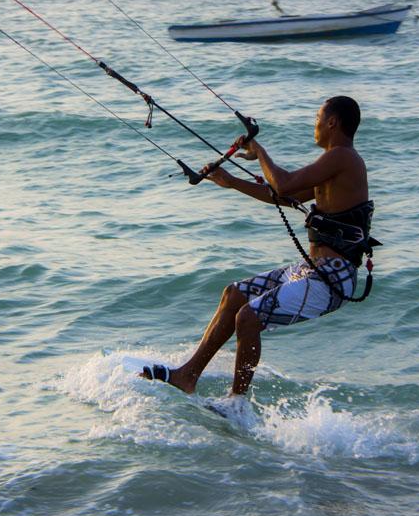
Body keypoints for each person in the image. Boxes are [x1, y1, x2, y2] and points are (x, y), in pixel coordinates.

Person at [142, 96, 376, 398]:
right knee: (234, 295)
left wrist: (259, 152)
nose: (315, 125)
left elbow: (284, 183)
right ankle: (187, 375)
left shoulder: (342, 156)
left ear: (332, 122)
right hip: (314, 271)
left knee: (248, 318)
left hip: (333, 279)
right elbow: (281, 197)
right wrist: (232, 182)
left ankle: (236, 403)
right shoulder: (335, 164)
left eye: (318, 118)